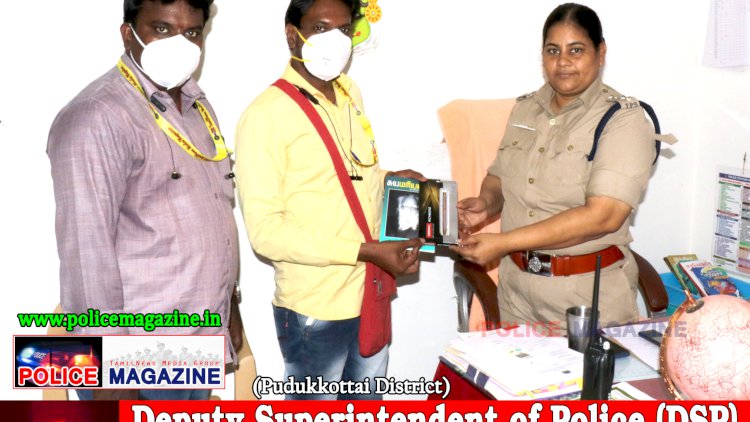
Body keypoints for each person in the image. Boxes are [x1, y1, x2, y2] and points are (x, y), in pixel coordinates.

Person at [47, 0, 244, 400]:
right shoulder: (97, 117)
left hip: (200, 337)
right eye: (162, 29)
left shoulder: (196, 106)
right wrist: (109, 380)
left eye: (192, 32)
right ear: (128, 34)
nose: (180, 43)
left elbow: (213, 211)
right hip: (137, 356)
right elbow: (87, 256)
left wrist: (230, 308)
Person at [235, 0, 423, 400]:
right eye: (320, 28)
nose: (335, 41)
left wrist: (392, 179)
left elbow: (353, 177)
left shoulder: (349, 92)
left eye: (343, 30)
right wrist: (364, 251)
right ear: (293, 35)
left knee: (366, 407)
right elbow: (266, 232)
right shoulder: (265, 116)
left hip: (368, 291)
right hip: (314, 309)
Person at [451, 3, 656, 331]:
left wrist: (503, 242)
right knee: (510, 368)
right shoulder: (525, 110)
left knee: (583, 370)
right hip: (516, 293)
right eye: (553, 50)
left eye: (576, 50)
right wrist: (485, 204)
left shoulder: (622, 120)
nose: (563, 62)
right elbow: (500, 175)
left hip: (584, 299)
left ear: (600, 52)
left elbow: (604, 215)